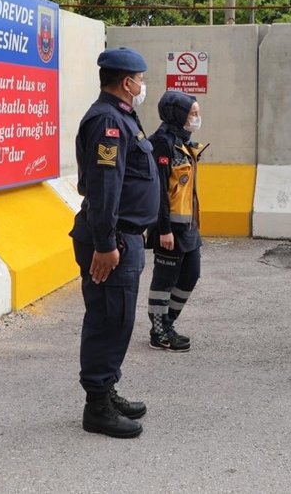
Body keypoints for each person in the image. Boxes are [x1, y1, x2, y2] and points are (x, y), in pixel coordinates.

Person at [69, 47, 161, 438]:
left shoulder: (122, 116)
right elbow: (106, 188)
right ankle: (97, 406)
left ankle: (106, 388)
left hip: (122, 237)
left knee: (117, 318)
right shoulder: (108, 120)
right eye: (140, 80)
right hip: (112, 239)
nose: (142, 86)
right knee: (109, 319)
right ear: (127, 82)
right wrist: (106, 244)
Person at [144, 90, 206, 352]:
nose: (197, 118)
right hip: (169, 228)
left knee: (191, 274)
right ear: (178, 114)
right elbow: (158, 191)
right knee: (164, 280)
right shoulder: (161, 143)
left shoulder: (183, 141)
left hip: (188, 226)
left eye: (197, 113)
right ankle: (159, 333)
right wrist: (164, 229)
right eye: (193, 113)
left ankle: (167, 322)